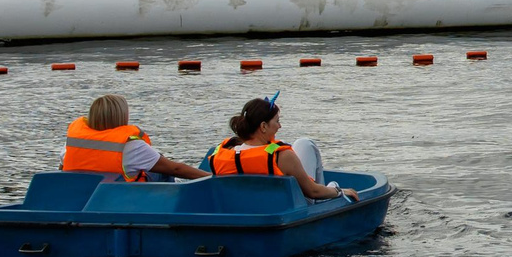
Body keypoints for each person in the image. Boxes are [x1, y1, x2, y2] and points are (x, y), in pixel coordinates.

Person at [209, 97, 350, 201]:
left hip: (242, 211)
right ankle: (333, 192)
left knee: (301, 144)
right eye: (277, 121)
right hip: (291, 210)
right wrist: (339, 191)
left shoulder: (225, 153)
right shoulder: (281, 157)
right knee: (305, 144)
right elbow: (313, 192)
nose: (279, 126)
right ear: (263, 126)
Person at [62, 94, 208, 182]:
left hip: (83, 196)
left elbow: (63, 168)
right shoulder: (130, 146)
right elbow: (176, 169)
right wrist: (211, 177)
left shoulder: (73, 142)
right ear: (121, 116)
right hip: (120, 197)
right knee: (163, 170)